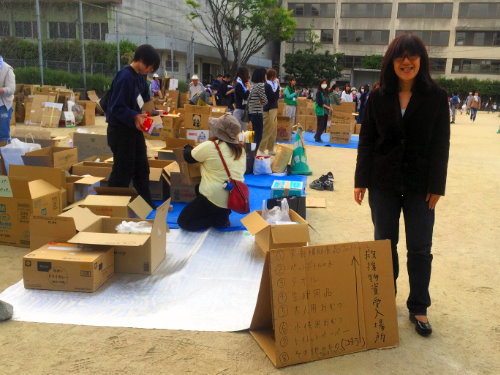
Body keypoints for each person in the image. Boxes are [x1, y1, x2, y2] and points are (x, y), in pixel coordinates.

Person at [354, 34, 450, 337]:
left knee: (420, 248)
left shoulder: (436, 96)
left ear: (421, 61)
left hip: (422, 185)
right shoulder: (378, 95)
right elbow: (367, 140)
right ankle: (385, 300)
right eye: (400, 57)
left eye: (412, 56)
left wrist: (437, 185)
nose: (406, 62)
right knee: (384, 244)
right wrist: (361, 180)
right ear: (391, 61)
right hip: (383, 182)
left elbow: (441, 145)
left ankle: (419, 306)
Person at [106, 44, 160, 207]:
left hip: (134, 129)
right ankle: (112, 205)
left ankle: (146, 204)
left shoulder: (141, 76)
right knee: (123, 170)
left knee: (142, 167)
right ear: (141, 61)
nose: (149, 70)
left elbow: (144, 98)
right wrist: (134, 115)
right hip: (120, 130)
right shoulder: (125, 77)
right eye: (149, 66)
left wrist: (154, 113)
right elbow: (116, 108)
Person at [178, 114, 246, 231]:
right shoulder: (240, 149)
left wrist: (187, 147)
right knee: (199, 187)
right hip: (232, 196)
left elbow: (188, 157)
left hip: (214, 195)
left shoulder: (211, 146)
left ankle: (215, 219)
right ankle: (222, 214)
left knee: (184, 222)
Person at [248, 67, 268, 151]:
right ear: (262, 75)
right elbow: (265, 100)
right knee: (258, 136)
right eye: (265, 74)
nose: (266, 76)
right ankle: (253, 154)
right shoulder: (260, 85)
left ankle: (249, 153)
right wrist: (262, 102)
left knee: (252, 135)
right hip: (257, 113)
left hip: (251, 113)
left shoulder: (253, 86)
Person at [261, 68, 280, 155]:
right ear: (272, 77)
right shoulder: (268, 85)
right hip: (269, 109)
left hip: (271, 108)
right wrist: (278, 87)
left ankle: (270, 148)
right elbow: (275, 97)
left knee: (273, 130)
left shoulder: (270, 85)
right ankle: (261, 149)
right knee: (267, 129)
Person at [0, 56, 15, 143]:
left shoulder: (7, 69)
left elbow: (11, 89)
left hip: (3, 106)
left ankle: (4, 154)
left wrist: (1, 90)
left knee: (3, 135)